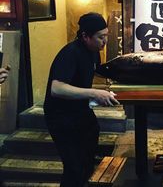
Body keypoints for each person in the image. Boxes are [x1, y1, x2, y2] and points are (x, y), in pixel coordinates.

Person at [44, 12, 119, 187]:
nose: (105, 41)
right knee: (74, 168)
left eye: (106, 36)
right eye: (101, 37)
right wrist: (94, 93)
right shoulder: (70, 53)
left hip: (81, 112)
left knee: (87, 163)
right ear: (85, 36)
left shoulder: (93, 52)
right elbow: (57, 88)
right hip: (61, 118)